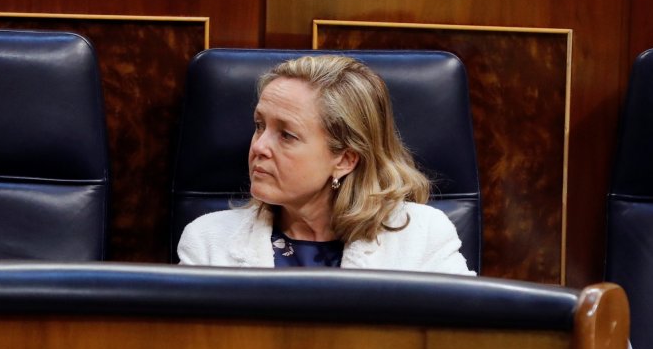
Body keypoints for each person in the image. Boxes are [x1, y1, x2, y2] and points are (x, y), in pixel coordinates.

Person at [177, 55, 473, 275]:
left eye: (286, 135)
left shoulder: (422, 237)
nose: (259, 147)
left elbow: (461, 347)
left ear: (344, 159)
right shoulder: (208, 243)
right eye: (259, 125)